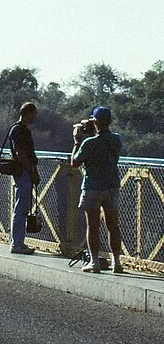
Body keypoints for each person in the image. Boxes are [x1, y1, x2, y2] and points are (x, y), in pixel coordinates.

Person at [70, 106, 125, 273]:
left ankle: (94, 262)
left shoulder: (88, 143)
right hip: (112, 186)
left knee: (92, 226)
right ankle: (116, 262)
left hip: (93, 187)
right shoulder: (117, 139)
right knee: (113, 225)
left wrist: (77, 141)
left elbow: (74, 162)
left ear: (94, 122)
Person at [7, 102, 42, 254]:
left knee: (22, 206)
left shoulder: (20, 130)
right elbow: (20, 152)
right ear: (28, 113)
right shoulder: (19, 130)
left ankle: (17, 241)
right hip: (23, 172)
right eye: (33, 113)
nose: (35, 117)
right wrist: (30, 170)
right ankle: (17, 244)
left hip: (25, 171)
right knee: (21, 208)